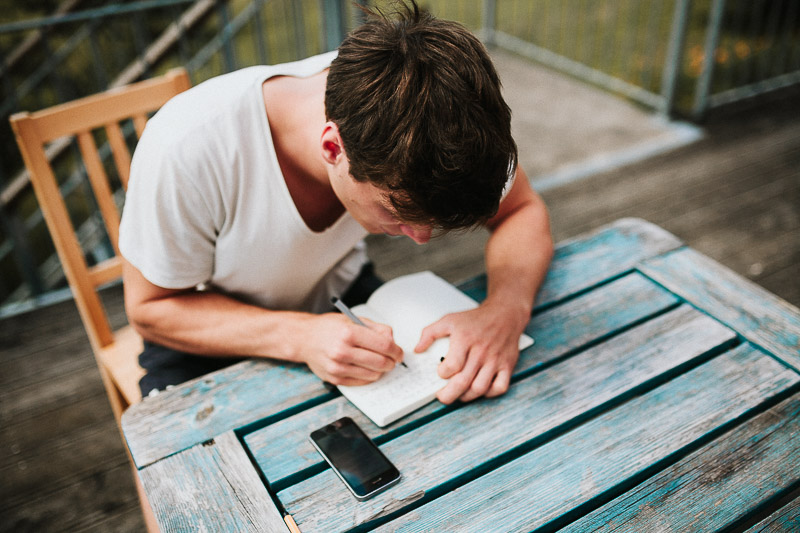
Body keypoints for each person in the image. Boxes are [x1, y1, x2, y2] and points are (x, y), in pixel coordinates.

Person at [119, 0, 553, 405]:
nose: (420, 239)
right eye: (397, 212)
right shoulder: (186, 147)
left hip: (343, 299)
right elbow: (150, 309)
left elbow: (521, 209)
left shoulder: (439, 113)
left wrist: (505, 310)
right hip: (209, 333)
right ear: (332, 148)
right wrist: (300, 337)